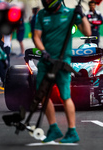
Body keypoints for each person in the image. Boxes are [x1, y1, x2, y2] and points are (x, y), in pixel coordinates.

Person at [34, 0, 91, 143]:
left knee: (65, 96)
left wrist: (82, 15)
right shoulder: (42, 14)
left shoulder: (70, 13)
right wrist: (43, 51)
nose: (46, 1)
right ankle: (54, 129)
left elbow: (87, 32)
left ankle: (72, 132)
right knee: (42, 95)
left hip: (63, 62)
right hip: (46, 61)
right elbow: (36, 36)